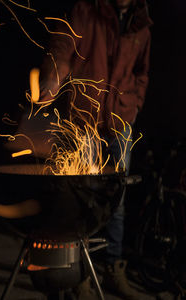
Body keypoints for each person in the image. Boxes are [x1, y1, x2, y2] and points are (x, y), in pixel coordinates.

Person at [38, 0, 152, 299]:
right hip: (85, 116)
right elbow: (62, 44)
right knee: (80, 198)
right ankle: (80, 276)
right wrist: (54, 73)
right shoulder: (86, 10)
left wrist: (135, 104)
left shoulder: (142, 24)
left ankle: (114, 268)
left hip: (120, 121)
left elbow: (142, 72)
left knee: (117, 200)